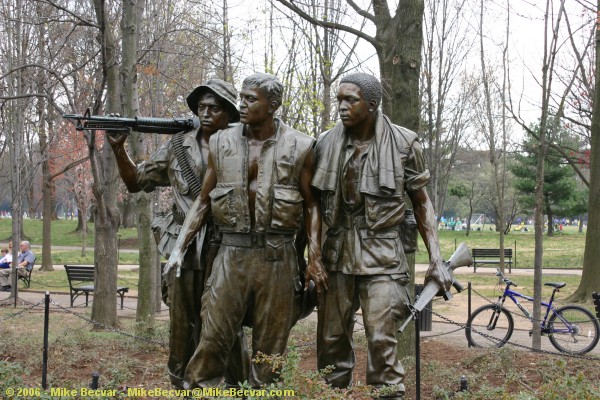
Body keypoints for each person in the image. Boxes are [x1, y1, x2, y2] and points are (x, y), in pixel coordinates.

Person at [165, 72, 329, 389]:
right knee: (212, 337)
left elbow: (312, 206)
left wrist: (314, 258)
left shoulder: (301, 146)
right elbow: (202, 202)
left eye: (250, 99)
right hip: (231, 254)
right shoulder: (221, 142)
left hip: (277, 257)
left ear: (273, 105)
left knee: (270, 354)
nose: (241, 104)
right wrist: (178, 248)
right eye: (241, 97)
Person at [312, 73, 452, 399]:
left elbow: (422, 203)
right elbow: (313, 206)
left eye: (351, 100)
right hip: (337, 254)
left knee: (381, 341)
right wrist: (312, 256)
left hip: (383, 256)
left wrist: (436, 258)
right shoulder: (324, 143)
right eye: (339, 100)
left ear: (372, 105)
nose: (342, 107)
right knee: (331, 342)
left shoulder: (405, 144)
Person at [107, 79, 249, 389]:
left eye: (215, 108)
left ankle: (241, 387)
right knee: (182, 324)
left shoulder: (243, 146)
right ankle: (182, 384)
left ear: (229, 114)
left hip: (226, 245)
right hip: (184, 249)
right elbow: (135, 182)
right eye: (202, 108)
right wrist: (119, 150)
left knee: (227, 322)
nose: (207, 113)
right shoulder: (177, 146)